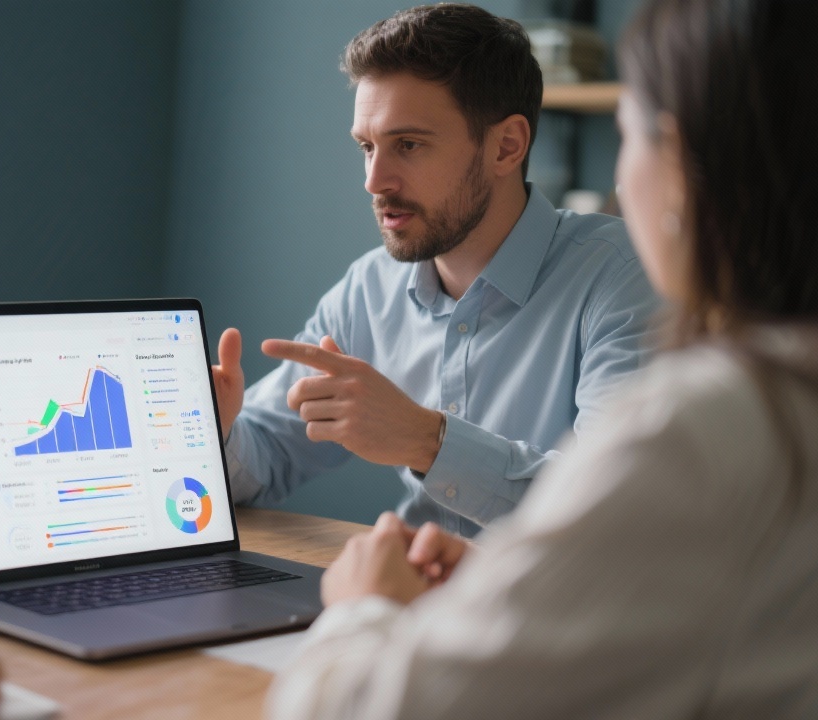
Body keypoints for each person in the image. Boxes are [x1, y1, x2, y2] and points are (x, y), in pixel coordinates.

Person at [267, 0, 818, 715]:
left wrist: (359, 608)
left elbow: (357, 709)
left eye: (628, 135)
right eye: (367, 147)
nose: (375, 180)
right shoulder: (778, 401)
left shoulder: (698, 424)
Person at [212, 3, 661, 538]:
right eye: (367, 147)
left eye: (408, 145)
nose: (374, 180)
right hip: (409, 581)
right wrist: (215, 433)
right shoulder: (369, 291)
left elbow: (615, 509)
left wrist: (428, 440)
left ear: (507, 146)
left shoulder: (621, 278)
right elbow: (264, 454)